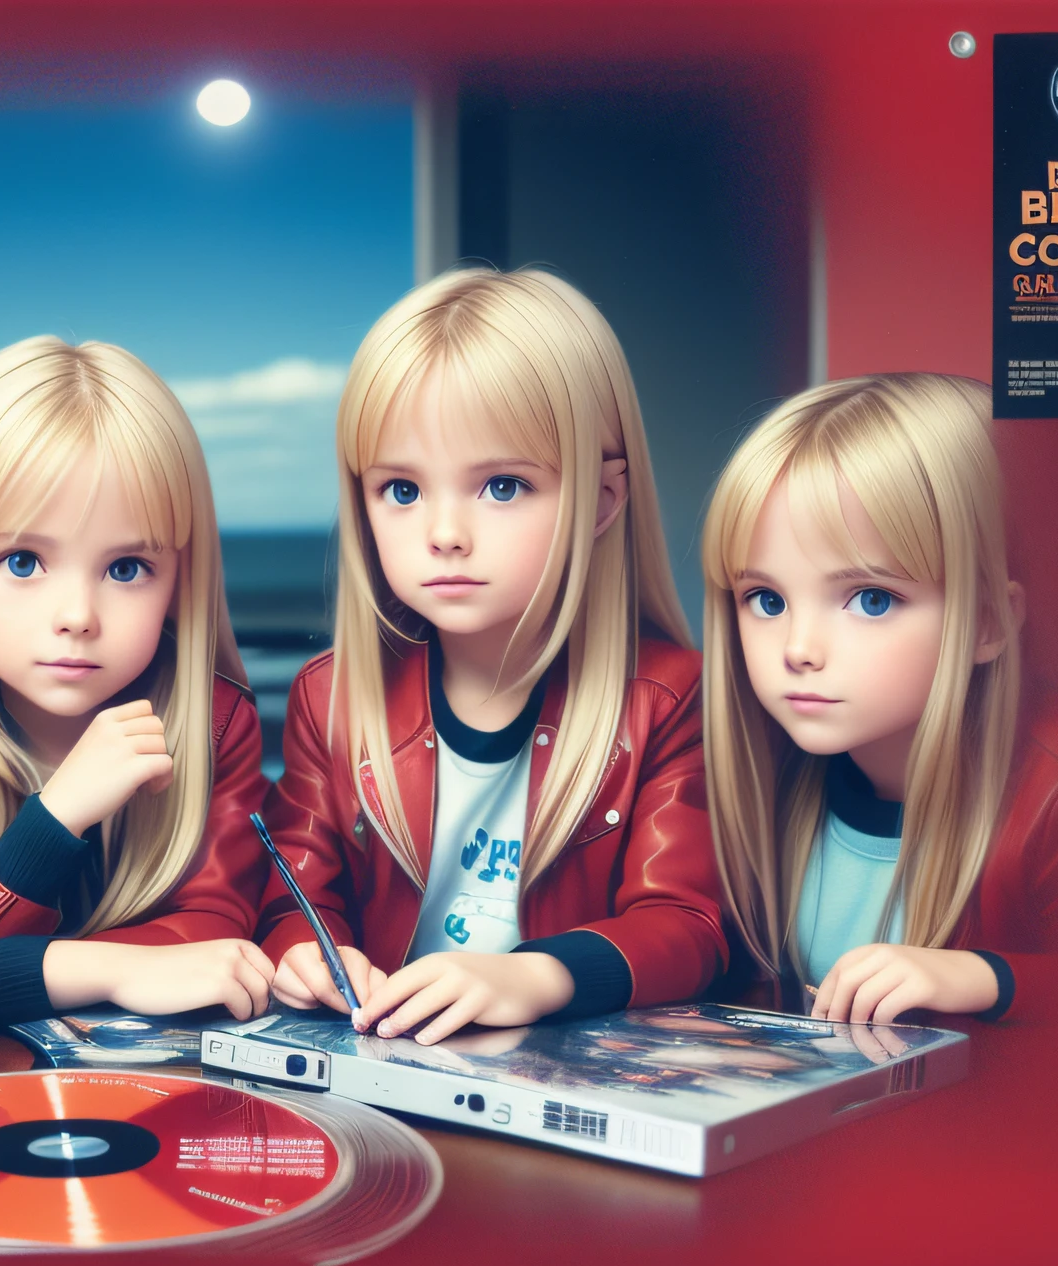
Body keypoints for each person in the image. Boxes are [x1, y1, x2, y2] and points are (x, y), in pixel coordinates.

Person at [257, 267, 725, 1047]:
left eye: (502, 486)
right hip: (386, 1065)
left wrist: (536, 974)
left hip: (565, 1077)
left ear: (603, 501)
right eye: (401, 491)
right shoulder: (330, 697)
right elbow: (293, 889)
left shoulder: (670, 698)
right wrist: (306, 953)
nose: (444, 532)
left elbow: (688, 925)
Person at [0, 336, 273, 1056]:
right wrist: (58, 820)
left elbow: (216, 939)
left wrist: (13, 975)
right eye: (23, 561)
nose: (77, 614)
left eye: (127, 567)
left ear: (180, 586)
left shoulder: (216, 723)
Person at [701, 372, 1058, 1025]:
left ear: (987, 622)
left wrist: (991, 978)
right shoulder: (760, 777)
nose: (799, 648)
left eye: (870, 600)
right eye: (765, 600)